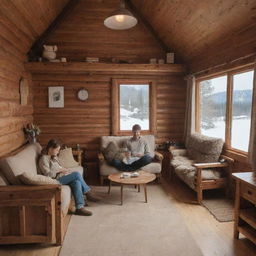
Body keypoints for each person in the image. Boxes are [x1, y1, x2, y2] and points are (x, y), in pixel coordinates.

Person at [39, 139, 98, 216]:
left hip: (62, 176)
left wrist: (65, 170)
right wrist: (59, 171)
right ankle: (87, 192)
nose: (58, 152)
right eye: (57, 150)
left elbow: (59, 167)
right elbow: (48, 174)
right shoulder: (44, 159)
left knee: (76, 182)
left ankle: (79, 208)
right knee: (76, 174)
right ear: (50, 148)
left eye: (58, 150)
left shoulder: (53, 157)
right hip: (54, 180)